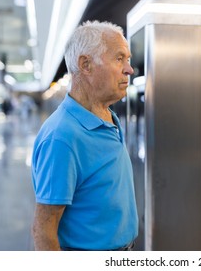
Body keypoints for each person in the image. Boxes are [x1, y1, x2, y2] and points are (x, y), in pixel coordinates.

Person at [31, 20, 138, 251]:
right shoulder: (62, 138)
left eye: (128, 60)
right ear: (86, 65)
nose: (129, 69)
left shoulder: (106, 115)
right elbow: (43, 232)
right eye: (120, 58)